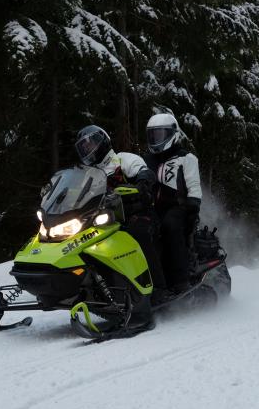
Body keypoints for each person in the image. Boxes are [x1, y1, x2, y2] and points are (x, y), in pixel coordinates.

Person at [74, 125, 166, 295]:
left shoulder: (123, 159)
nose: (88, 149)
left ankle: (158, 288)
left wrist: (142, 182)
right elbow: (78, 195)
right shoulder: (88, 174)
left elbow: (143, 171)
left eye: (90, 144)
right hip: (105, 221)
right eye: (83, 147)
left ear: (102, 141)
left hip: (138, 213)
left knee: (139, 234)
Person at [144, 113, 202, 294]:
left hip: (179, 206)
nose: (156, 139)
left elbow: (193, 184)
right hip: (151, 207)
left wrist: (192, 206)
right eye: (153, 135)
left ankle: (180, 280)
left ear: (172, 134)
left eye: (160, 134)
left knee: (170, 225)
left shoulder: (186, 158)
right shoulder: (146, 160)